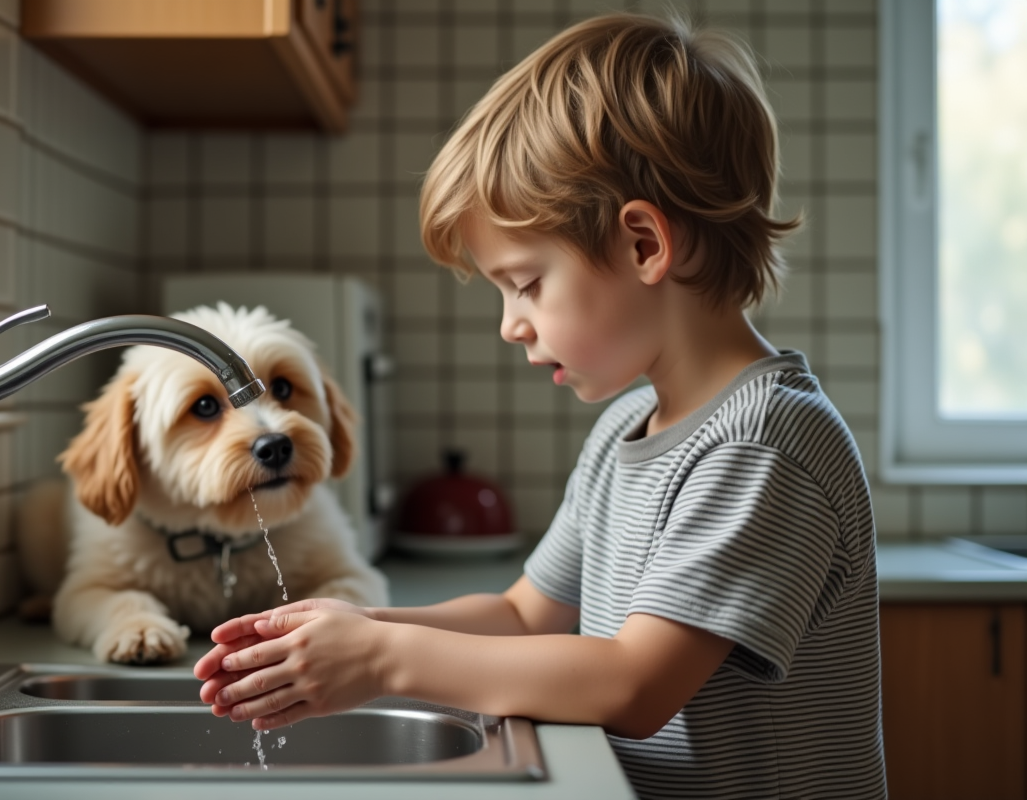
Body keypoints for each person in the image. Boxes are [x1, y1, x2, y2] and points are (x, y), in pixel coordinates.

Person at [194, 12, 886, 799]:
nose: (509, 323)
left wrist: (384, 661)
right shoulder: (625, 431)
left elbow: (633, 684)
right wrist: (353, 630)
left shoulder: (763, 447)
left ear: (645, 246)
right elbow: (525, 617)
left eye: (526, 284)